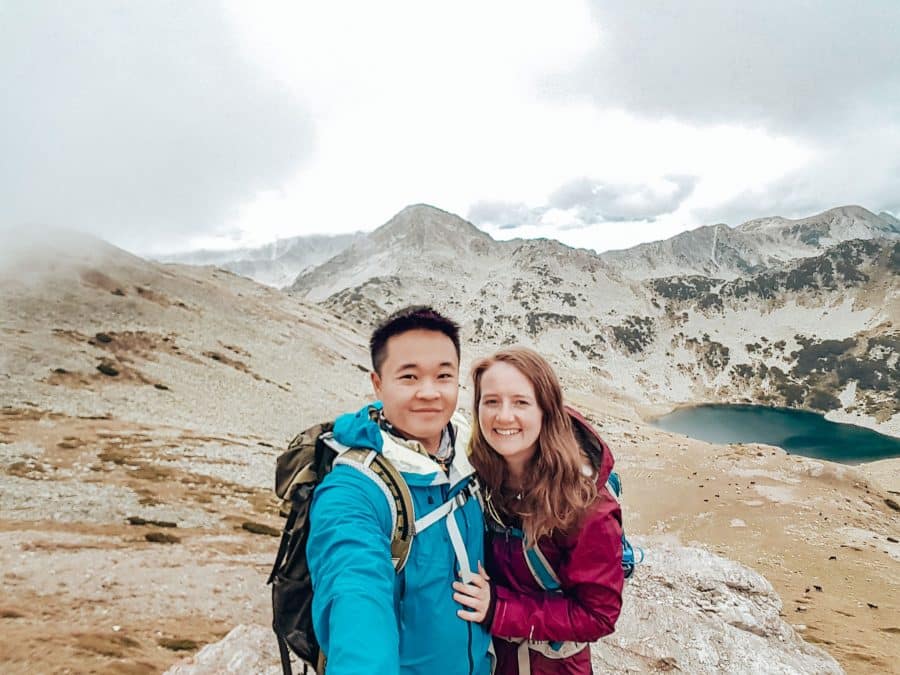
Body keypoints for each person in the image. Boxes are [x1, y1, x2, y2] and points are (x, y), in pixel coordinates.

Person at [306, 305, 493, 675]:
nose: (429, 393)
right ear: (378, 384)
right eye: (409, 377)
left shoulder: (472, 453)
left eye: (443, 376)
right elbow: (356, 594)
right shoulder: (354, 489)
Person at [455, 347, 624, 675]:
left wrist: (499, 608)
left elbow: (598, 615)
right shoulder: (478, 473)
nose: (503, 416)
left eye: (520, 402)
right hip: (490, 656)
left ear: (546, 411)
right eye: (491, 401)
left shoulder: (586, 505)